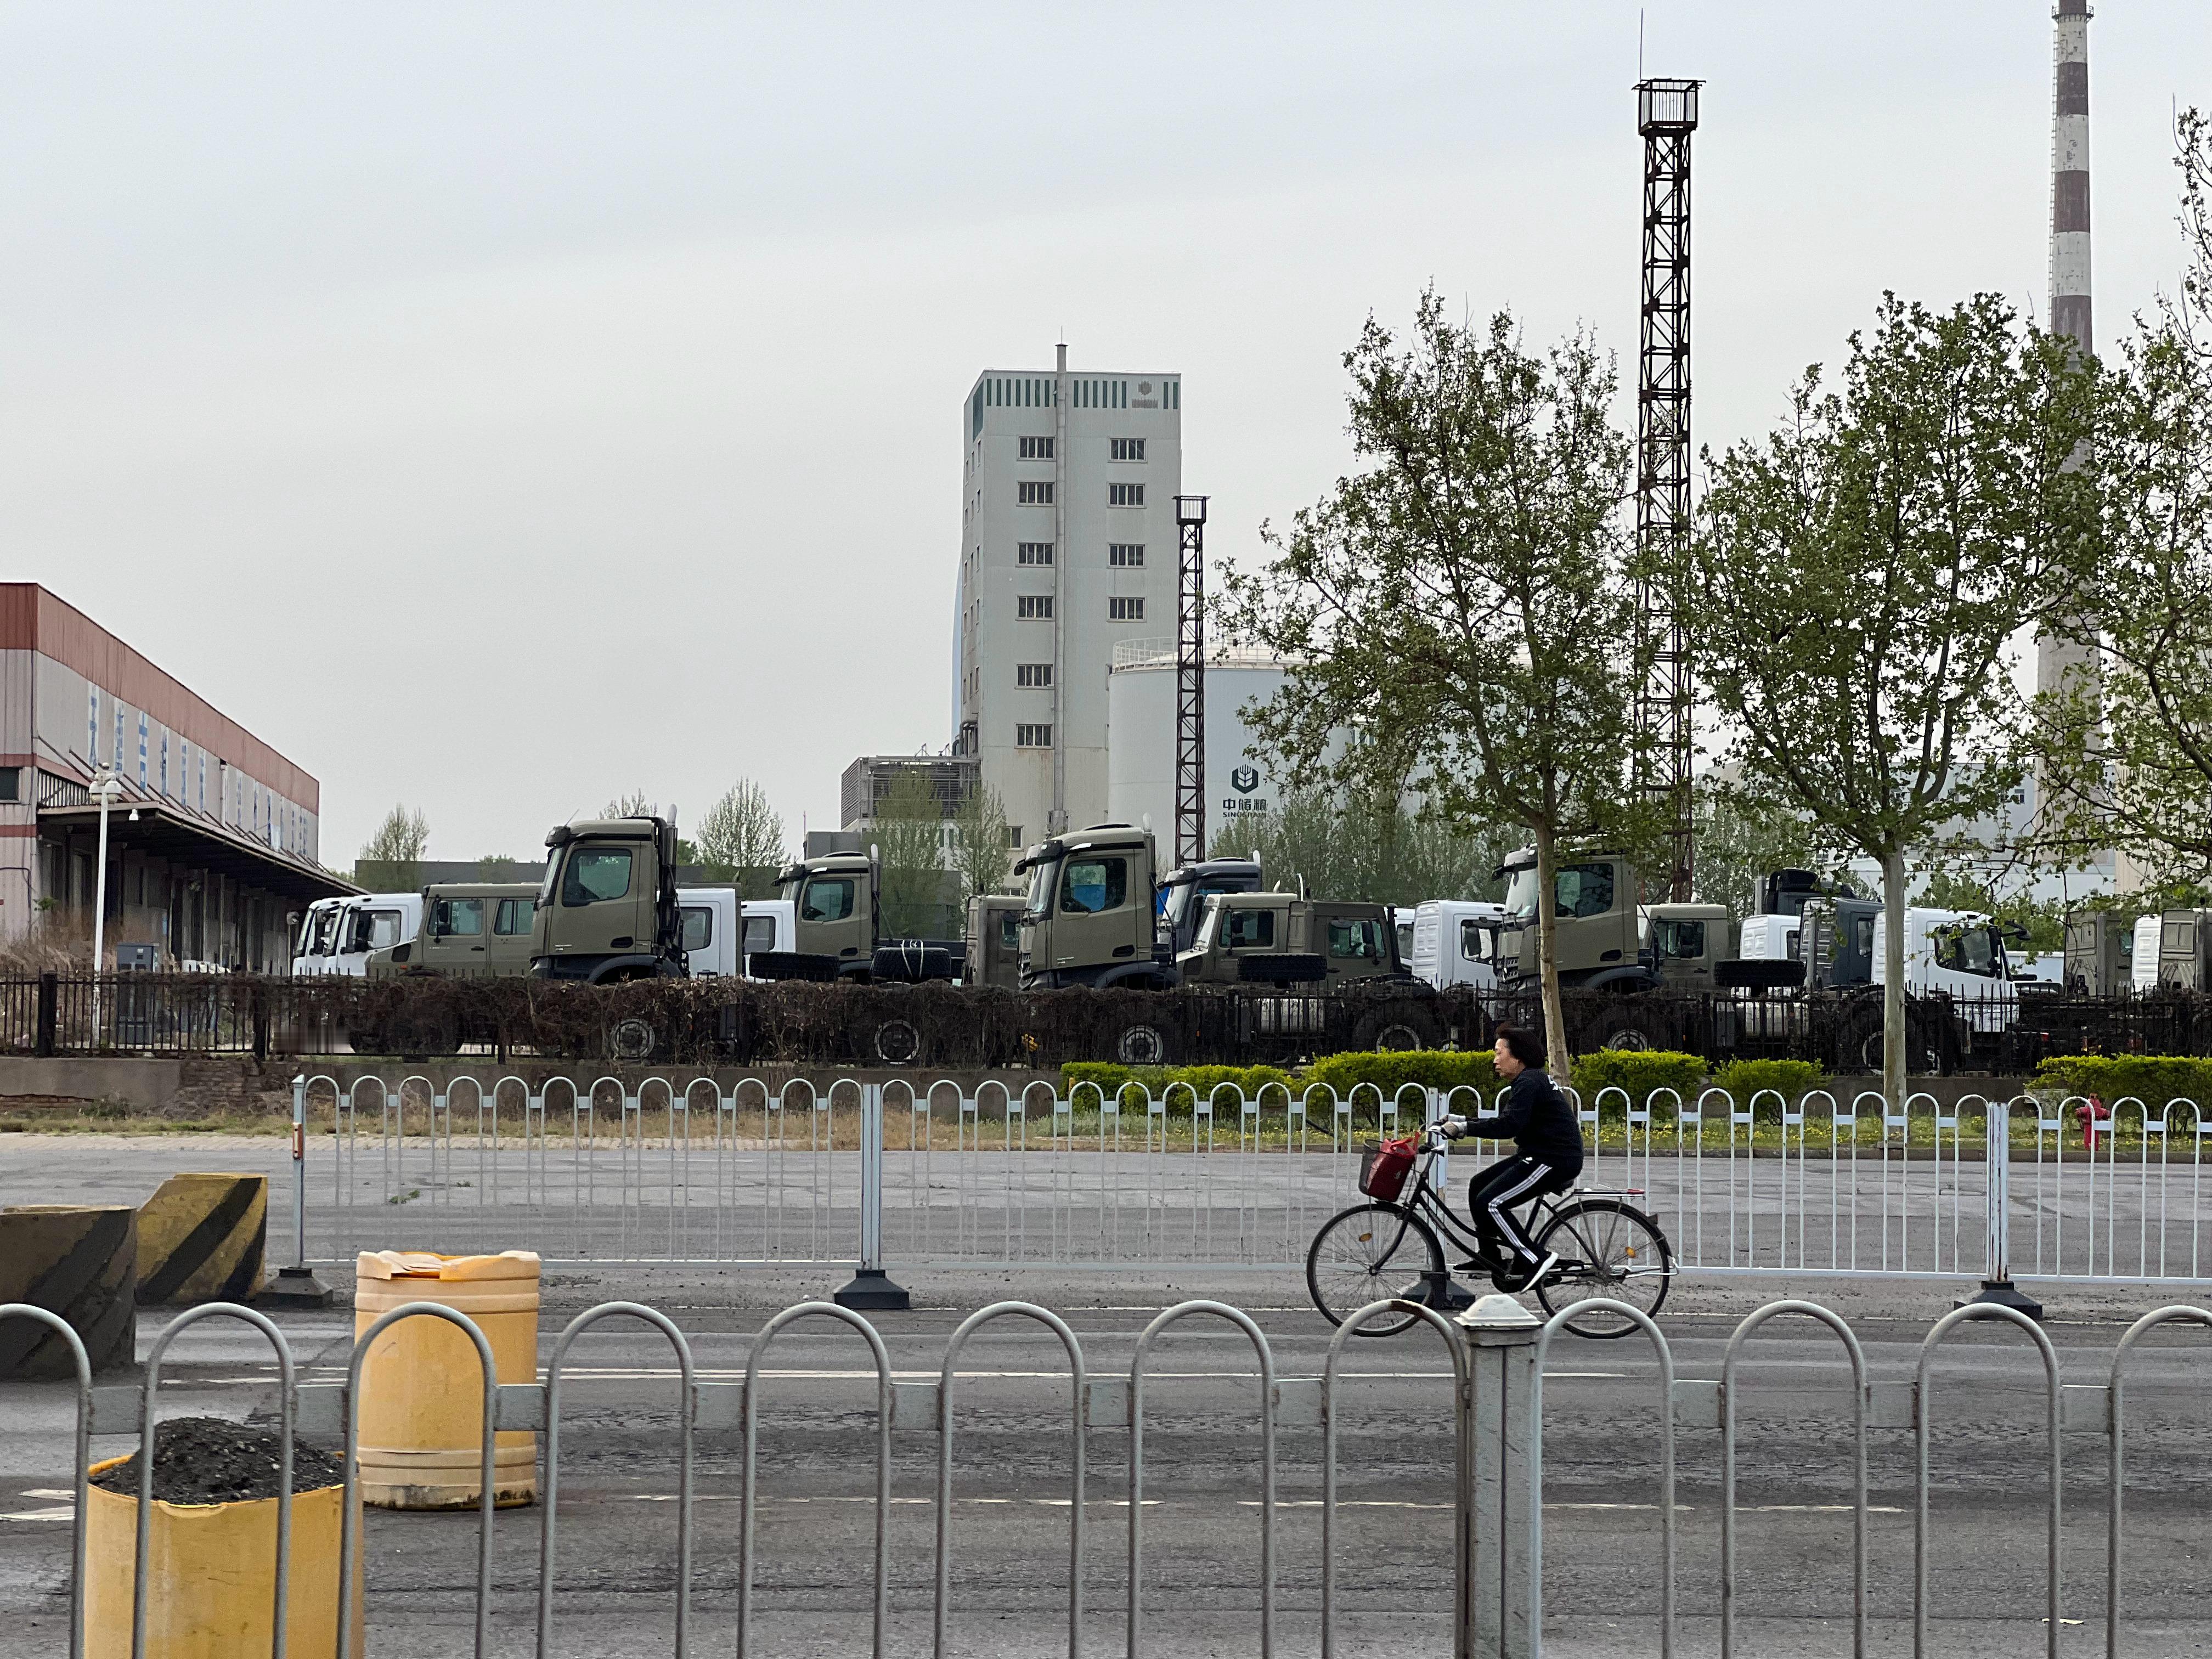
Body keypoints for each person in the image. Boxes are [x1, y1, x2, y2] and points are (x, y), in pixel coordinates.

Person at [1441, 1023, 1583, 1289]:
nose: (1495, 1060)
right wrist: (1460, 1121)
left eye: (1498, 1053)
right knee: (1478, 1186)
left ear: (1517, 1056)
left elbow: (1509, 1126)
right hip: (1538, 1154)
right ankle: (1490, 1257)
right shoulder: (1529, 1080)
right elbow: (1508, 1119)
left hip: (1553, 1159)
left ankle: (1535, 1259)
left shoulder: (1529, 1082)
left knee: (1492, 1203)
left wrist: (1463, 1128)